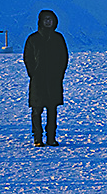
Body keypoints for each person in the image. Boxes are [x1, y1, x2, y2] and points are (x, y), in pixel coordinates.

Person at [22, 10, 68, 147]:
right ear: (40, 21)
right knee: (37, 109)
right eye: (46, 19)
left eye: (51, 19)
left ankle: (51, 138)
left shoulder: (58, 38)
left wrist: (60, 74)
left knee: (52, 109)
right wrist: (33, 73)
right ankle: (37, 138)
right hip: (38, 79)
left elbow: (64, 58)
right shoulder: (33, 39)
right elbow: (28, 58)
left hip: (54, 79)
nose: (48, 22)